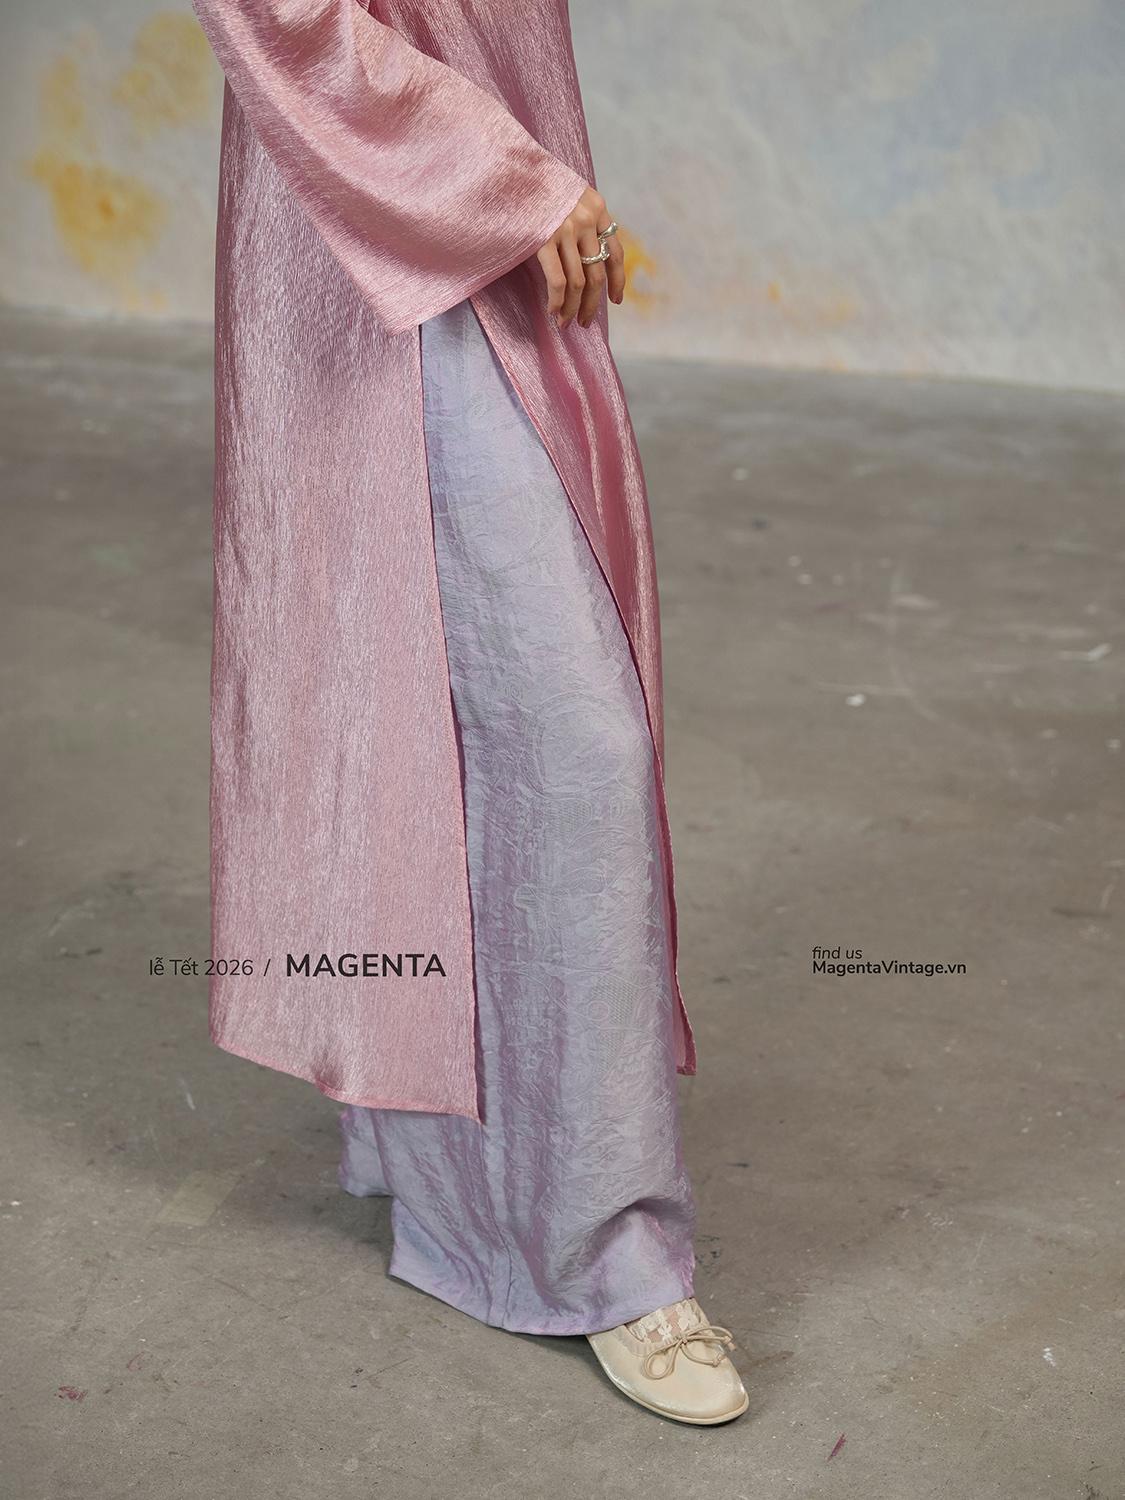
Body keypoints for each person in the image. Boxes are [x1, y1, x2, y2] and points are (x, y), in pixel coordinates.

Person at [190, 0, 747, 1424]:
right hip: (379, 230)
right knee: (552, 741)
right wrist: (500, 178)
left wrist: (516, 173)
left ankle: (466, 1188)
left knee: (440, 724)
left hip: (474, 203)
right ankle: (606, 1254)